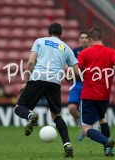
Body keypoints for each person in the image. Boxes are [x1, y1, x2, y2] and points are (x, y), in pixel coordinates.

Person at [14, 23, 80, 158]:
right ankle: (67, 144)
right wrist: (69, 77)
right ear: (61, 34)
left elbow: (31, 61)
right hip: (54, 82)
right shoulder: (66, 48)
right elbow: (77, 72)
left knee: (19, 107)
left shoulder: (39, 41)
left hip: (37, 78)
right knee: (57, 115)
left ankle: (30, 116)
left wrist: (27, 80)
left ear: (48, 32)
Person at [76, 27, 115, 156]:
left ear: (90, 39)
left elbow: (76, 70)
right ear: (102, 39)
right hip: (104, 96)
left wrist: (70, 76)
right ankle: (108, 149)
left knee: (86, 128)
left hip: (89, 95)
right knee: (102, 119)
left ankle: (106, 140)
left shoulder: (85, 53)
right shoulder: (111, 52)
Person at [67, 31, 94, 141]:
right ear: (79, 39)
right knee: (72, 108)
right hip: (77, 82)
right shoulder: (75, 51)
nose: (84, 40)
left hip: (89, 83)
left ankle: (92, 132)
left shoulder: (93, 51)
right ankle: (82, 126)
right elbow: (73, 66)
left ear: (89, 39)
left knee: (90, 108)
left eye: (86, 38)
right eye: (82, 38)